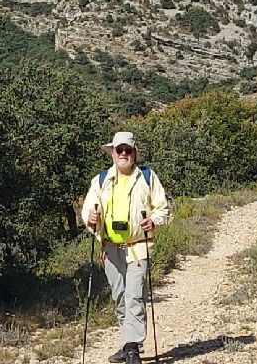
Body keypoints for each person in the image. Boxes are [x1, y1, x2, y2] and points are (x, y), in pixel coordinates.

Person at [79, 131, 174, 364]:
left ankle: (132, 348)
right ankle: (126, 342)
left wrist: (154, 221)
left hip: (138, 247)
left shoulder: (147, 177)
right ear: (112, 152)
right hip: (110, 248)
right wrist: (90, 218)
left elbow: (164, 208)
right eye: (119, 150)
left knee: (133, 296)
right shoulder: (101, 180)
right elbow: (88, 209)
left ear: (134, 153)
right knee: (120, 296)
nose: (123, 154)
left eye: (127, 150)